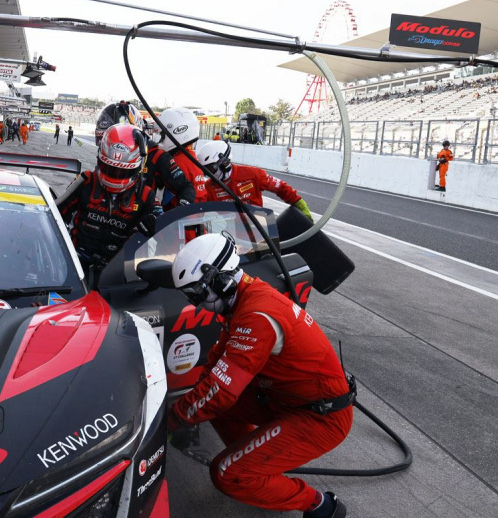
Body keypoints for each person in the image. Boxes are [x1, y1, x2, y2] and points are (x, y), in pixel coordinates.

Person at [168, 233, 354, 518]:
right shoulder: (245, 299)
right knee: (215, 407)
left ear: (220, 280)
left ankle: (319, 505)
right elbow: (215, 368)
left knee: (226, 473)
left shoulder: (256, 314)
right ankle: (257, 465)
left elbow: (220, 391)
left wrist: (169, 422)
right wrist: (188, 411)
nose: (198, 304)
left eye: (197, 294)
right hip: (288, 401)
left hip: (320, 417)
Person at [57, 123, 157, 272]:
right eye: (109, 168)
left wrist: (153, 222)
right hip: (75, 265)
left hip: (117, 273)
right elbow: (56, 213)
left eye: (121, 172)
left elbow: (161, 224)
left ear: (138, 167)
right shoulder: (86, 181)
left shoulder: (146, 195)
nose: (114, 175)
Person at [197, 140, 313, 221]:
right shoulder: (208, 187)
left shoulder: (253, 174)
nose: (208, 174)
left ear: (225, 163)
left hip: (258, 232)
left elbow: (281, 188)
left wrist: (299, 204)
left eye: (211, 169)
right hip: (228, 235)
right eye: (205, 171)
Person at [151, 106, 207, 209]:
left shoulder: (177, 161)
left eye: (161, 135)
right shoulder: (190, 157)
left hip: (180, 218)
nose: (159, 139)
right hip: (192, 216)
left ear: (178, 131)